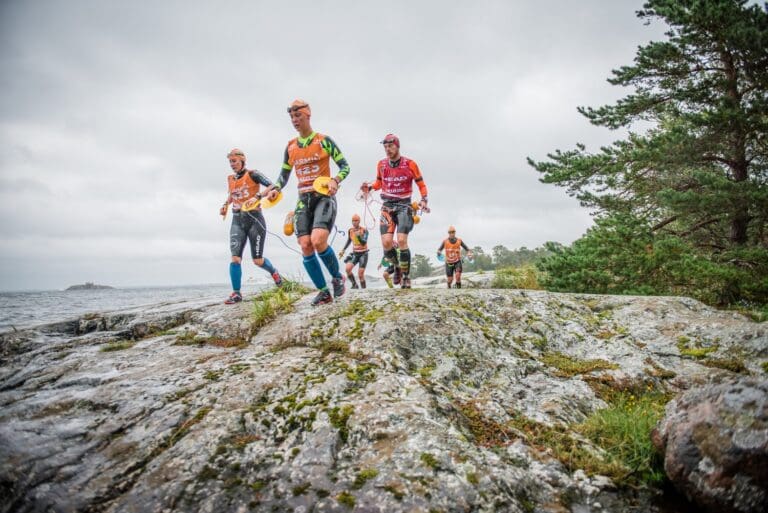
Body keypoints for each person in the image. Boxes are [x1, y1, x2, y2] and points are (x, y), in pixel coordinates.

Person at [266, 99, 350, 306]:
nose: (295, 120)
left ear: (308, 115)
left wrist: (335, 180)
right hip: (303, 199)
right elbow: (283, 176)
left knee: (318, 240)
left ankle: (337, 277)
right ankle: (323, 292)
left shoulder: (324, 140)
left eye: (298, 116)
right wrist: (275, 189)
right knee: (305, 245)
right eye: (292, 117)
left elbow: (345, 166)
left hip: (323, 197)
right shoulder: (290, 147)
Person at [360, 133, 428, 289]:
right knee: (386, 243)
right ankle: (397, 267)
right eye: (385, 147)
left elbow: (421, 184)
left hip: (404, 205)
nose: (387, 149)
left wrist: (424, 200)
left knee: (402, 240)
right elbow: (379, 182)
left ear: (397, 146)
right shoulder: (382, 164)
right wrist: (369, 188)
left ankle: (406, 276)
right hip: (387, 206)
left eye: (390, 146)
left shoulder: (410, 164)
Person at [220, 148, 283, 304]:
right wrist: (225, 205)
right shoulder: (230, 178)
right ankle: (236, 293)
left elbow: (272, 186)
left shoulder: (253, 174)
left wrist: (257, 196)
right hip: (237, 220)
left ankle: (274, 273)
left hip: (255, 220)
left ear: (242, 160)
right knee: (235, 258)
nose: (232, 164)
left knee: (257, 260)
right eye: (230, 162)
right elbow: (232, 194)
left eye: (234, 161)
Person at [338, 214, 369, 289]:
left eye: (356, 221)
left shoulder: (364, 230)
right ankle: (354, 284)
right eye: (353, 221)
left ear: (359, 221)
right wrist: (343, 250)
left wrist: (359, 236)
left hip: (363, 254)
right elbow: (349, 240)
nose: (354, 222)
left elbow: (364, 242)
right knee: (347, 269)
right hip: (355, 253)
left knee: (360, 274)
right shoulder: (350, 230)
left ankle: (364, 291)